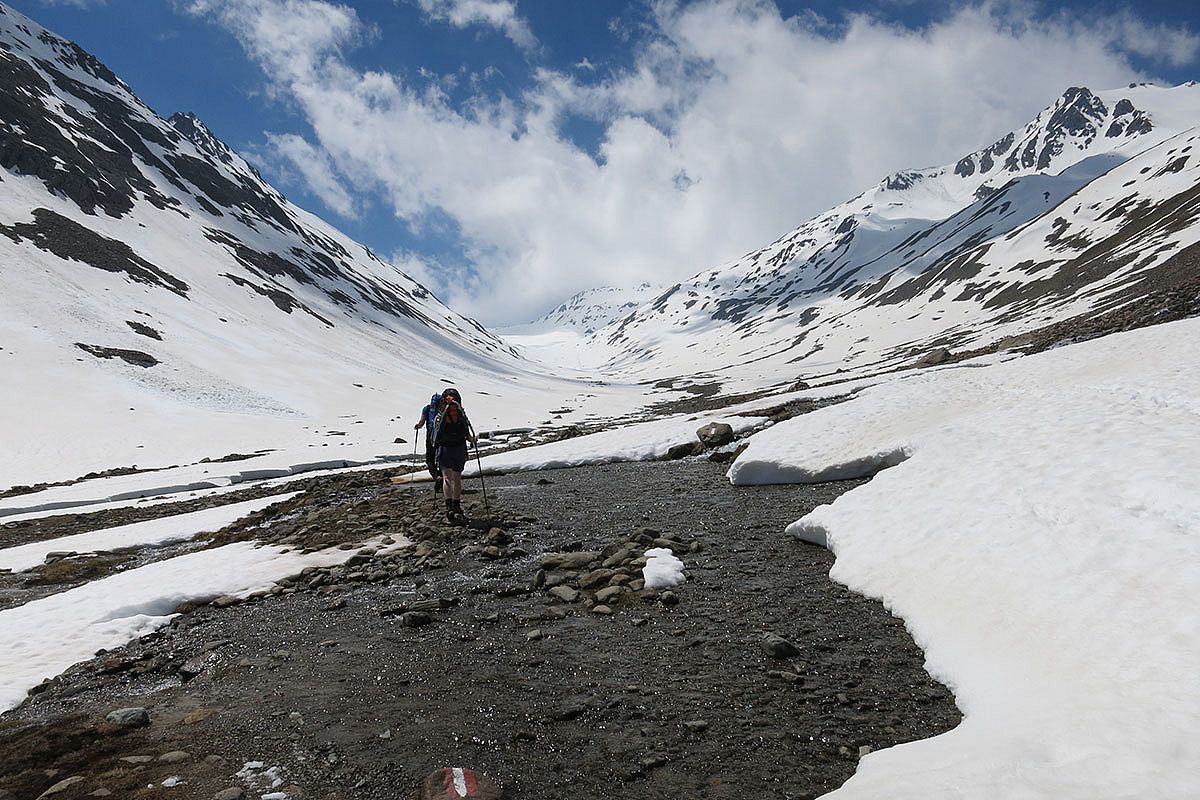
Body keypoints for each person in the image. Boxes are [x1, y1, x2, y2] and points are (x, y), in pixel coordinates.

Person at [432, 387, 477, 524]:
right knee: (457, 478)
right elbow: (467, 433)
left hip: (445, 449)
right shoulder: (460, 413)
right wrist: (472, 440)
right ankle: (457, 505)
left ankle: (448, 506)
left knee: (446, 477)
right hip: (459, 449)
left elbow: (435, 434)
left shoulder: (441, 415)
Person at [413, 392, 443, 492]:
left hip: (430, 437)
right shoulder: (443, 409)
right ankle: (443, 478)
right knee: (442, 459)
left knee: (430, 459)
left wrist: (417, 426)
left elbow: (421, 423)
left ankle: (436, 476)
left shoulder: (427, 409)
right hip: (442, 438)